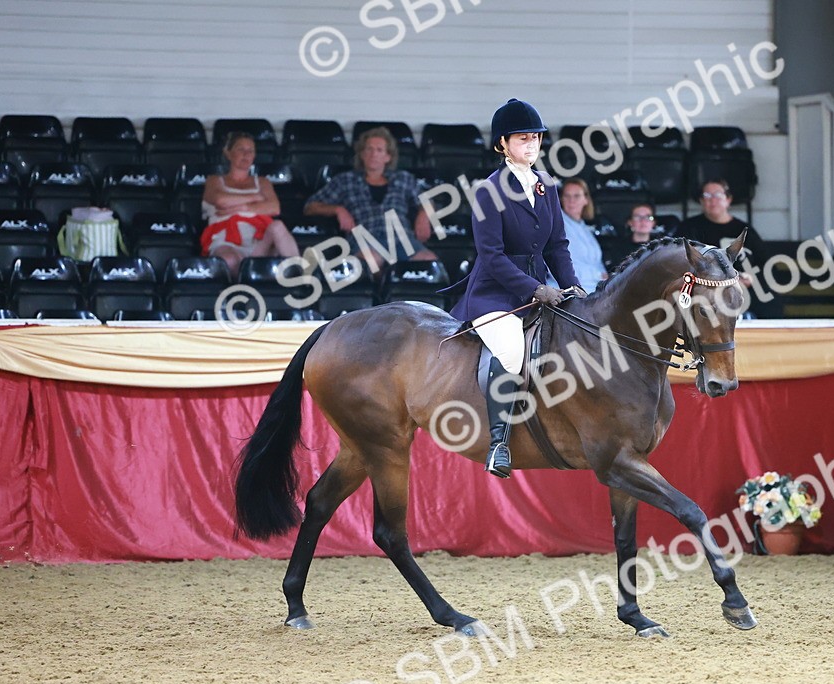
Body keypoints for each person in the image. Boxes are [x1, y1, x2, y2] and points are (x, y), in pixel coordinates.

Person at [446, 98, 585, 479]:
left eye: (536, 138)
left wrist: (574, 287)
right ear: (503, 144)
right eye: (523, 139)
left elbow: (558, 246)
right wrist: (536, 289)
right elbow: (490, 256)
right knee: (511, 353)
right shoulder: (488, 191)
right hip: (496, 293)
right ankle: (499, 444)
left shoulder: (547, 187)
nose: (531, 145)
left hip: (539, 289)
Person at [304, 127, 437, 271]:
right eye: (369, 149)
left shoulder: (403, 179)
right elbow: (310, 206)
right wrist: (337, 210)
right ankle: (378, 292)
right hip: (365, 239)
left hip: (402, 239)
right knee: (372, 261)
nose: (373, 154)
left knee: (429, 261)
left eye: (379, 150)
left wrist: (423, 216)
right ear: (362, 154)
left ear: (388, 157)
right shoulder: (346, 180)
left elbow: (427, 200)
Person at [201, 132, 299, 279]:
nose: (246, 155)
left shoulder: (263, 182)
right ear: (228, 153)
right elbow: (221, 200)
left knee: (278, 227)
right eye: (241, 149)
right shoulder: (214, 180)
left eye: (250, 151)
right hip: (226, 241)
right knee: (230, 260)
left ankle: (299, 276)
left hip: (258, 243)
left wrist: (239, 208)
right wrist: (256, 198)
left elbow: (274, 208)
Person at [677, 178, 766, 267]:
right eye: (707, 195)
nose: (713, 200)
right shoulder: (689, 227)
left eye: (718, 195)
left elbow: (763, 261)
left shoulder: (744, 230)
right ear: (701, 201)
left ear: (728, 199)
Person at [558, 178, 607, 293]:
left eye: (576, 196)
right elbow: (558, 265)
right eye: (567, 196)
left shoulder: (584, 227)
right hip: (568, 294)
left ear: (586, 200)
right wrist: (599, 275)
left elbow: (597, 263)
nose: (571, 201)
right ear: (561, 199)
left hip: (593, 292)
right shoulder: (558, 224)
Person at [602, 202, 660, 273]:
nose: (643, 221)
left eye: (648, 217)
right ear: (630, 222)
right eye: (637, 217)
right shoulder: (618, 247)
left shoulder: (660, 246)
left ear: (653, 223)